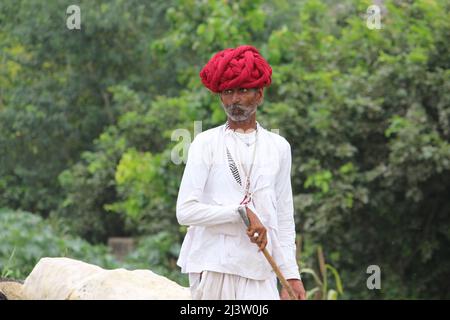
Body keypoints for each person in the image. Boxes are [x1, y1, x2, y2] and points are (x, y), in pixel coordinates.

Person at [176, 45, 306, 300]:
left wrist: (291, 275)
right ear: (220, 97)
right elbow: (185, 211)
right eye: (228, 91)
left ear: (259, 95)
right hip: (214, 268)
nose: (234, 99)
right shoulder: (205, 143)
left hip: (261, 271)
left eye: (243, 90)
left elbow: (283, 217)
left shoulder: (278, 147)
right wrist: (240, 213)